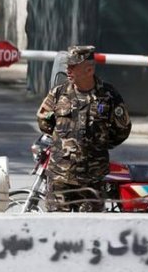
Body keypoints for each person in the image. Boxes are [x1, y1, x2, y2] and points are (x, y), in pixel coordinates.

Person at [37, 45, 131, 212]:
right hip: (61, 176)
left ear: (89, 69)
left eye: (73, 66)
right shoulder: (58, 93)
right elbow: (43, 121)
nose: (68, 69)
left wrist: (97, 145)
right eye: (67, 65)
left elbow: (122, 130)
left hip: (92, 179)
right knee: (56, 230)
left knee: (91, 231)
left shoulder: (108, 96)